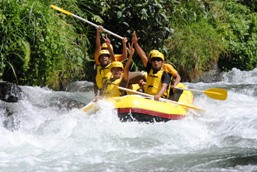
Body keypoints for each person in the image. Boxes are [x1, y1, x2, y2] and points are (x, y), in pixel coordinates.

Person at [132, 31, 172, 101]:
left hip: (160, 99)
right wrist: (135, 44)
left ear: (162, 62)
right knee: (139, 91)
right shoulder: (150, 69)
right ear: (151, 62)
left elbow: (164, 86)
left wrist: (158, 95)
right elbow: (143, 56)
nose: (156, 62)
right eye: (154, 60)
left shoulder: (165, 75)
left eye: (158, 60)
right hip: (148, 96)